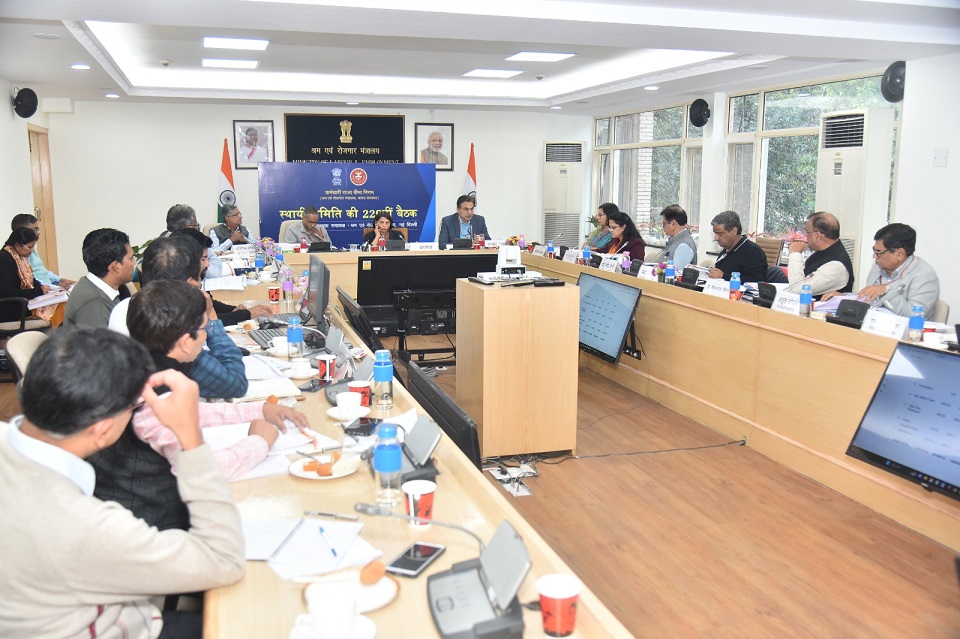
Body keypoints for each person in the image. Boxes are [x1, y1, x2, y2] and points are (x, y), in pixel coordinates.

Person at [0, 329, 245, 638]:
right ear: (102, 429)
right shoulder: (86, 527)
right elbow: (224, 560)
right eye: (135, 406)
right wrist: (190, 436)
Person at [127, 281, 309, 480]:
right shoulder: (152, 402)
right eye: (205, 328)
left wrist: (261, 410)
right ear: (186, 342)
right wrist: (259, 441)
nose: (207, 334)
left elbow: (196, 412)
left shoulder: (147, 367)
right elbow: (204, 469)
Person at [109, 235, 249, 399]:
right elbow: (236, 384)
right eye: (200, 274)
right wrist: (211, 316)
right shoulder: (174, 322)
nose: (207, 265)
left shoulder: (126, 307)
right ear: (190, 284)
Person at [823, 223, 940, 318]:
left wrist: (886, 291)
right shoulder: (879, 265)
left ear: (899, 253)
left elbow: (915, 316)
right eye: (874, 251)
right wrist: (843, 297)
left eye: (879, 252)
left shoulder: (924, 275)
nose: (874, 256)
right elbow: (868, 298)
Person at [172, 227, 273, 322]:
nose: (208, 264)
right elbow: (207, 321)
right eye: (203, 259)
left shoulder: (185, 278)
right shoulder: (176, 290)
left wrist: (233, 310)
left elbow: (209, 305)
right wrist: (247, 314)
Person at [63, 228, 135, 328]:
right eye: (131, 258)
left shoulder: (90, 285)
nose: (134, 263)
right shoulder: (94, 303)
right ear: (116, 266)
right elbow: (101, 339)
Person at [786, 211, 854, 298]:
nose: (805, 235)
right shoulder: (824, 252)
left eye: (807, 232)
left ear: (817, 235)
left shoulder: (836, 266)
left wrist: (795, 253)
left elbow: (797, 289)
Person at [0, 228, 53, 323]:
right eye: (29, 247)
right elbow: (8, 292)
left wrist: (41, 287)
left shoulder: (21, 258)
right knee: (56, 311)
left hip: (25, 302)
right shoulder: (4, 259)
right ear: (17, 245)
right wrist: (38, 291)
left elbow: (31, 279)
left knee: (61, 304)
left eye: (33, 247)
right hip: (12, 307)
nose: (32, 250)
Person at [9, 213, 76, 287]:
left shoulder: (32, 250)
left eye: (38, 229)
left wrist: (60, 279)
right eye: (35, 229)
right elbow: (31, 280)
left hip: (50, 288)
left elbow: (43, 272)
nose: (39, 232)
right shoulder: (18, 255)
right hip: (41, 290)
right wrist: (56, 287)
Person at [162, 203, 227, 277]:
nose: (197, 228)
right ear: (187, 227)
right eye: (196, 225)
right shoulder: (189, 244)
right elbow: (215, 273)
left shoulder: (162, 241)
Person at [706, 210, 768, 282]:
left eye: (720, 234)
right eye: (715, 233)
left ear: (733, 231)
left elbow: (758, 282)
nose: (716, 238)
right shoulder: (725, 250)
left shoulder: (753, 252)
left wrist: (723, 276)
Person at [655, 204, 697, 269]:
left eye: (664, 223)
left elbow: (675, 272)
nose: (663, 227)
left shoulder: (684, 246)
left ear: (673, 223)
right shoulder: (675, 240)